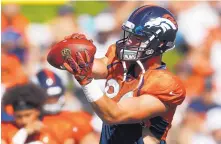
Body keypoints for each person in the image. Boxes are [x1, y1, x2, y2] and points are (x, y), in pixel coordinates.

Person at [53, 5, 186, 144]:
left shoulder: (165, 84)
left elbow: (114, 115)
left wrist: (87, 82)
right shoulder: (121, 61)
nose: (129, 41)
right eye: (130, 35)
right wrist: (71, 51)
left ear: (160, 43)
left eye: (138, 38)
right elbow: (82, 67)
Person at [34, 69, 99, 144]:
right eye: (48, 98)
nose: (51, 101)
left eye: (54, 97)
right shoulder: (26, 121)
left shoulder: (78, 119)